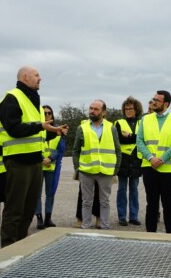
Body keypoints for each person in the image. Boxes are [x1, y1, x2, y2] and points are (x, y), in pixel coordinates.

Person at [0, 66, 67, 247]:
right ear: (25, 77)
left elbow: (37, 133)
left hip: (35, 163)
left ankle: (19, 247)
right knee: (15, 210)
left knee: (28, 211)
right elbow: (14, 129)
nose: (40, 78)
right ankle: (7, 250)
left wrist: (55, 132)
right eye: (36, 75)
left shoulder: (34, 100)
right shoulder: (12, 98)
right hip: (18, 162)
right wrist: (41, 126)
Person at [137, 90, 171, 233]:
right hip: (149, 168)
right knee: (151, 203)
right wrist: (151, 158)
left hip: (168, 170)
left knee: (168, 204)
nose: (154, 102)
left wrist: (162, 159)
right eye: (153, 99)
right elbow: (139, 141)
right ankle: (151, 234)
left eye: (157, 100)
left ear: (166, 104)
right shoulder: (145, 119)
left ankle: (170, 235)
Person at [72, 100, 121, 229]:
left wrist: (115, 169)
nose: (92, 111)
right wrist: (78, 168)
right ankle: (85, 226)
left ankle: (105, 227)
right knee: (86, 201)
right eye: (91, 108)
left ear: (103, 112)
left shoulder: (111, 128)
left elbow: (117, 150)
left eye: (96, 109)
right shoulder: (82, 128)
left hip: (105, 171)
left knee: (104, 202)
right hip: (86, 171)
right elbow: (76, 150)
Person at [35, 105, 66, 229]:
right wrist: (42, 159)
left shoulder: (58, 130)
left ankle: (48, 217)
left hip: (51, 167)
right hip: (39, 166)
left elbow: (60, 149)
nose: (47, 115)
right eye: (45, 113)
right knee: (37, 194)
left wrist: (50, 158)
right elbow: (34, 146)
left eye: (49, 113)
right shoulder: (37, 129)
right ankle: (39, 218)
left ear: (52, 115)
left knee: (50, 193)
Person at [115, 96, 143, 226]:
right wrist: (134, 138)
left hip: (136, 160)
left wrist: (131, 136)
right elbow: (120, 139)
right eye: (126, 109)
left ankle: (133, 216)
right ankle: (121, 216)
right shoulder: (119, 123)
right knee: (121, 189)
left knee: (134, 189)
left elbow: (143, 139)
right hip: (123, 160)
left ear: (136, 109)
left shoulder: (142, 122)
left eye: (131, 108)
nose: (128, 111)